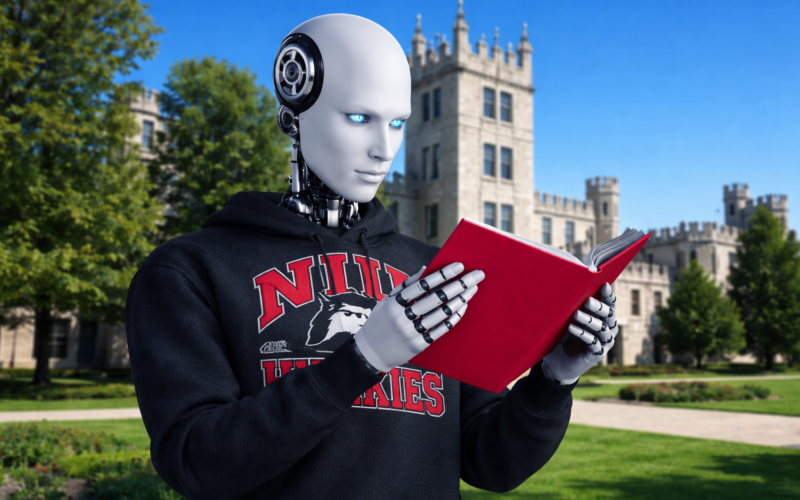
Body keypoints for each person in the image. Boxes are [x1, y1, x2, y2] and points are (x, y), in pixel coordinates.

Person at [126, 14, 618, 500]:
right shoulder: (188, 271)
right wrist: (364, 358)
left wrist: (555, 378)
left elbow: (489, 461)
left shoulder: (436, 271)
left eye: (398, 123)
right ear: (293, 109)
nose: (385, 149)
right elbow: (195, 463)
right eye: (359, 118)